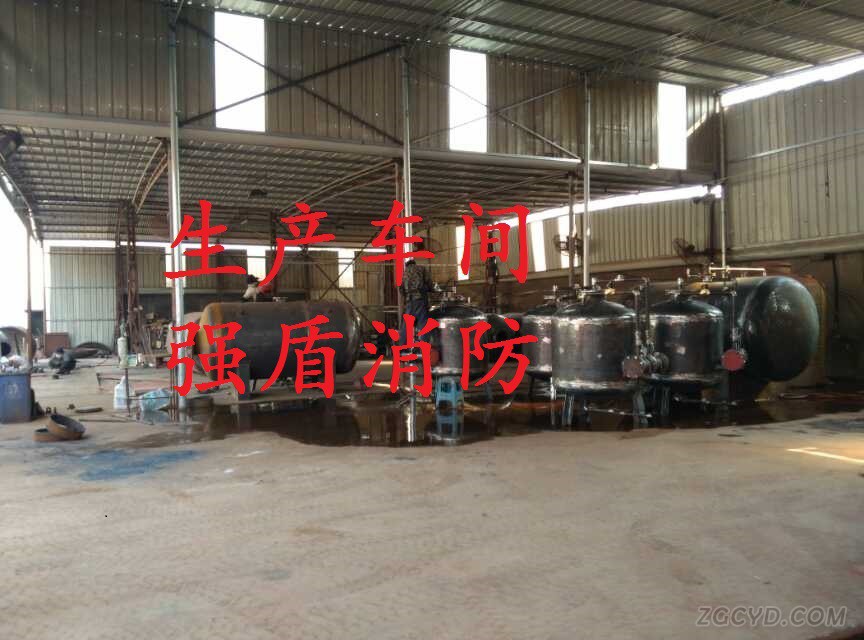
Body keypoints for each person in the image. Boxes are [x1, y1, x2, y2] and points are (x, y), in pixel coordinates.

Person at [399, 242, 434, 344]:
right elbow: (429, 283)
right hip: (420, 300)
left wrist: (406, 298)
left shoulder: (405, 273)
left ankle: (402, 346)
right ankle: (424, 345)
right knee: (423, 324)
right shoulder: (421, 269)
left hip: (410, 301)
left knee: (406, 325)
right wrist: (431, 289)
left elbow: (401, 289)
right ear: (414, 263)